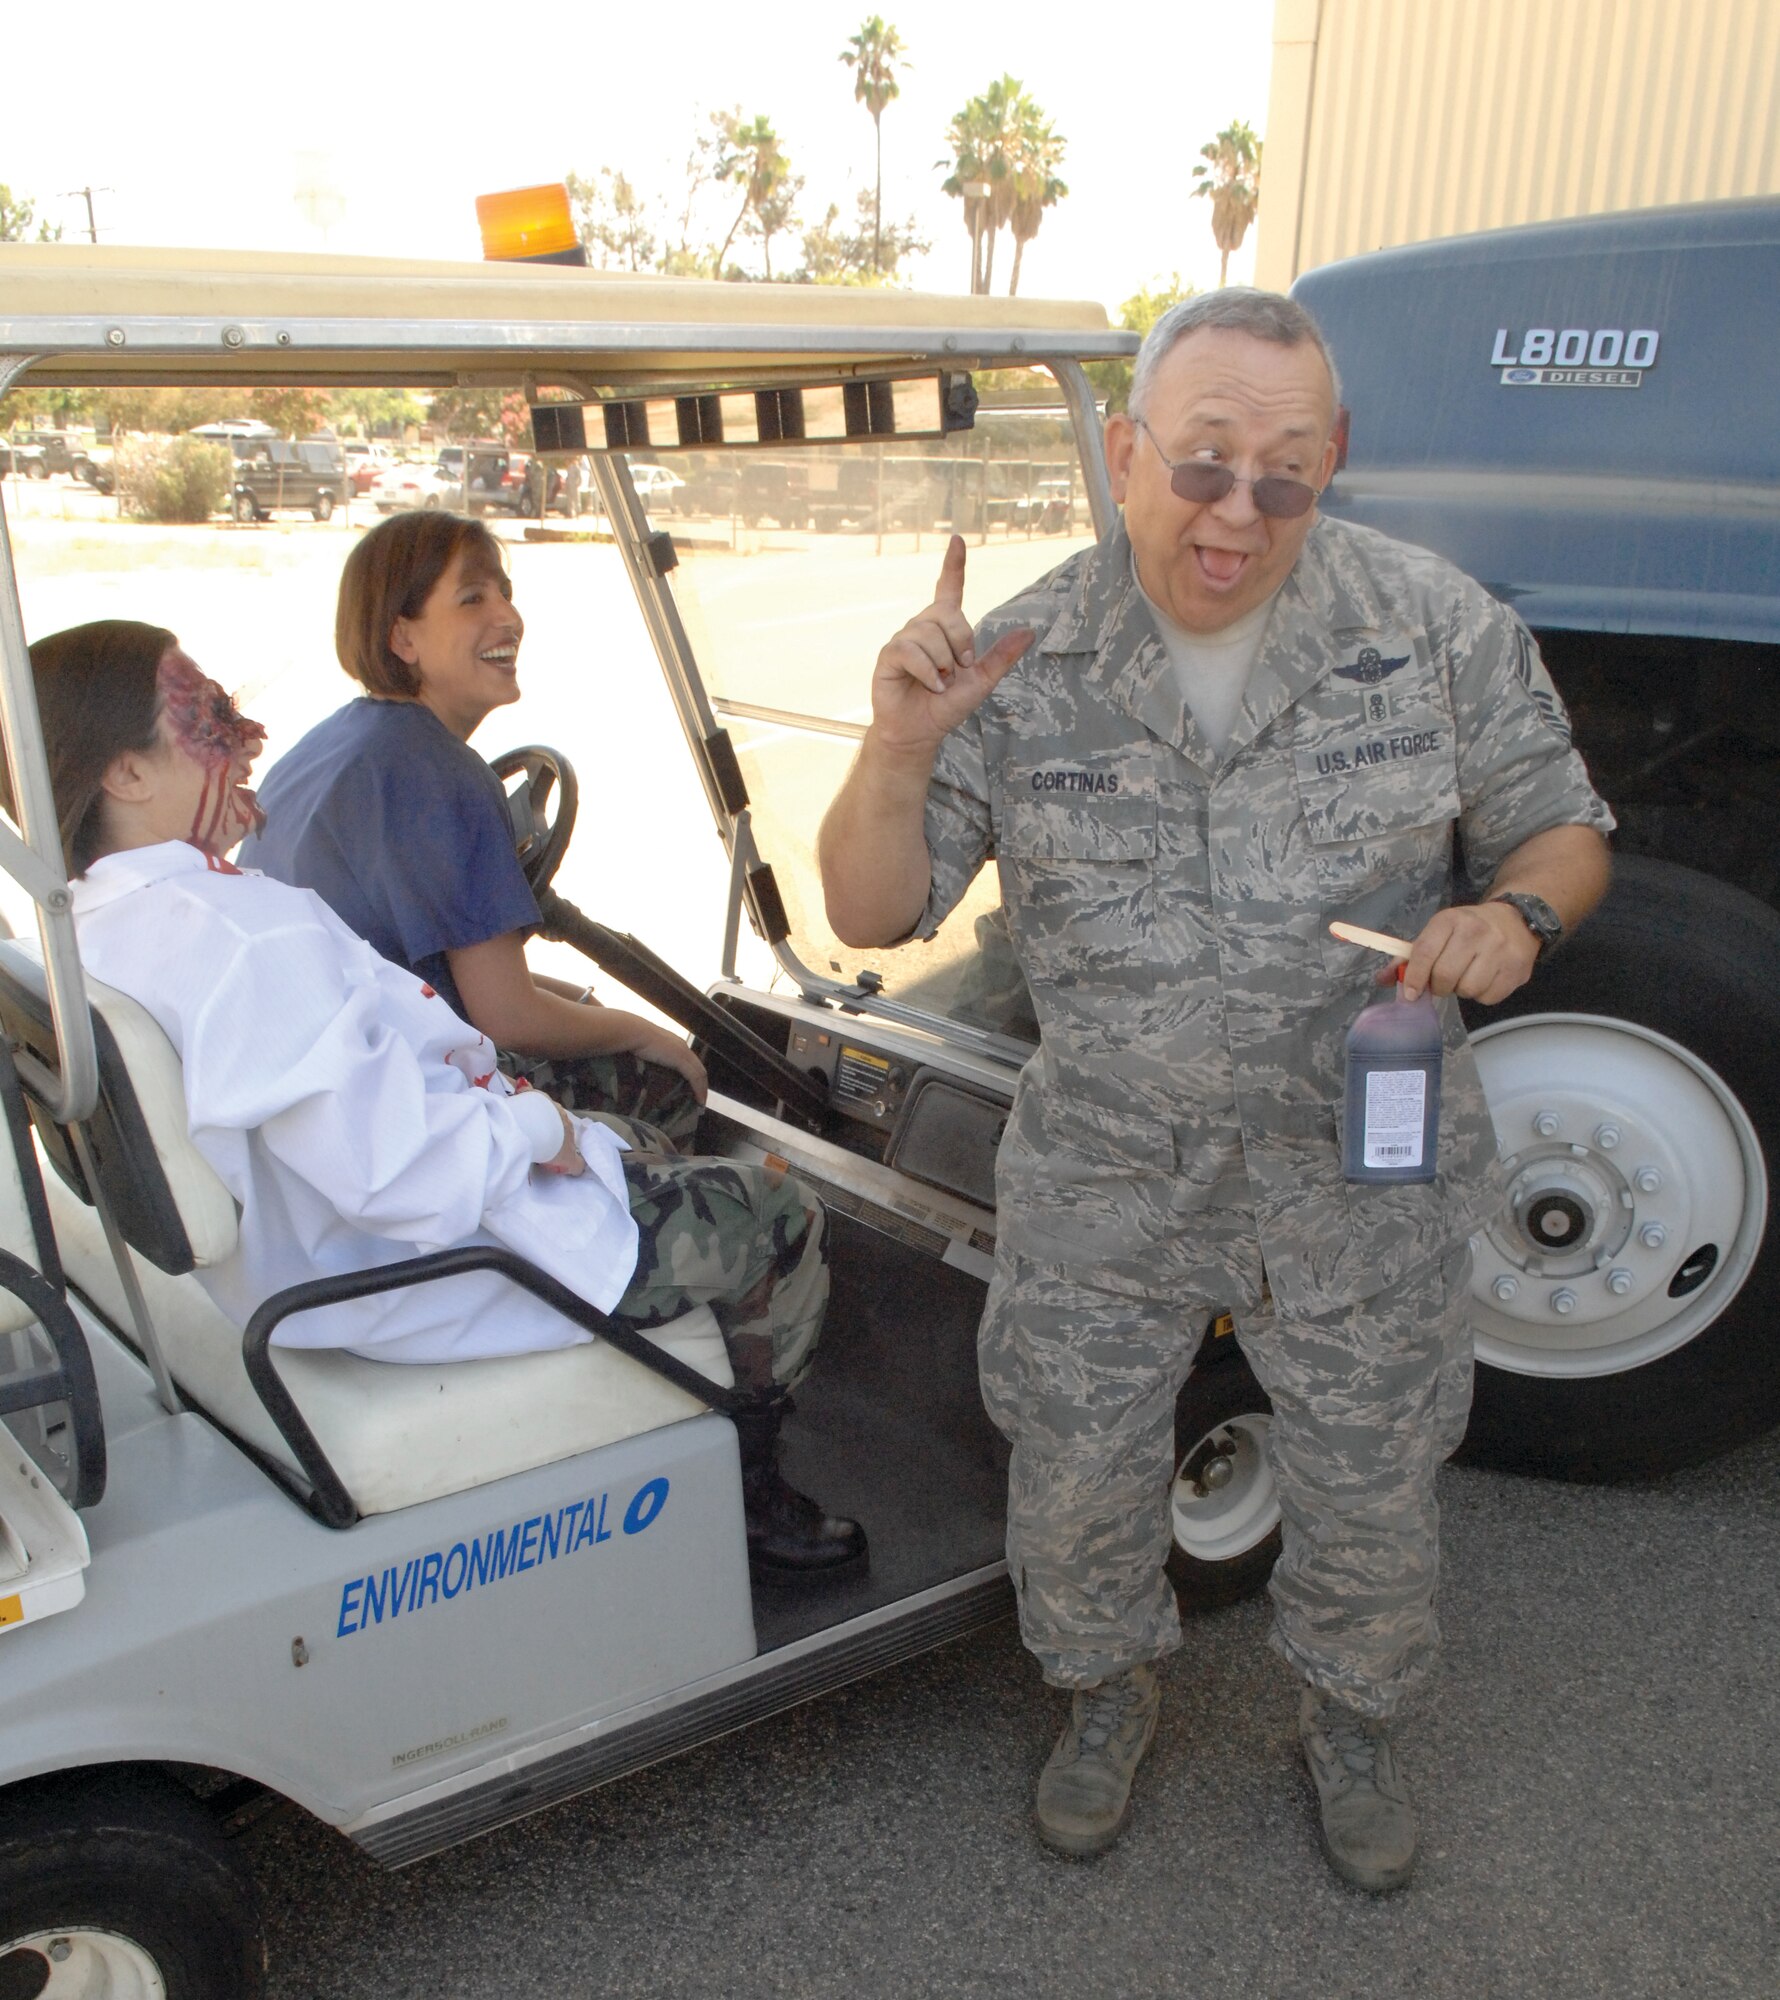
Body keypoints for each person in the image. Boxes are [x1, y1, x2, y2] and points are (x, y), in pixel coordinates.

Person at [818, 290, 1613, 1886]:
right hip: (1111, 1169)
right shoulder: (1021, 659)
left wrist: (1515, 916)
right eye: (1202, 464)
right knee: (1077, 1469)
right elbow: (868, 912)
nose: (1239, 511)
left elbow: (1563, 830)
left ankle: (1358, 1726)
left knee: (1375, 1473)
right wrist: (898, 751)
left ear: (1335, 465)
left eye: (1286, 474)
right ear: (1124, 454)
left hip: (1355, 1158)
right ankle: (1103, 1697)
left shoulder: (1436, 625)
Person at [21, 618, 866, 1585]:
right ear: (125, 774)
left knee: (632, 1129)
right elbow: (397, 1173)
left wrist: (527, 1118)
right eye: (207, 717)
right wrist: (540, 1126)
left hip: (317, 1238)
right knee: (779, 1214)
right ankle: (750, 1490)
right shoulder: (243, 938)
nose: (246, 735)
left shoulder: (104, 917)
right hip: (413, 1267)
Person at [240, 510, 703, 1151]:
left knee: (587, 1014)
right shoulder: (445, 774)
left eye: (504, 593)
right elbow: (506, 1017)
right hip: (409, 1109)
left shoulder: (332, 745)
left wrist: (585, 1005)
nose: (508, 617)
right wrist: (642, 1031)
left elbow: (426, 966)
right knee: (664, 1082)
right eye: (472, 597)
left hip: (322, 1089)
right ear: (403, 638)